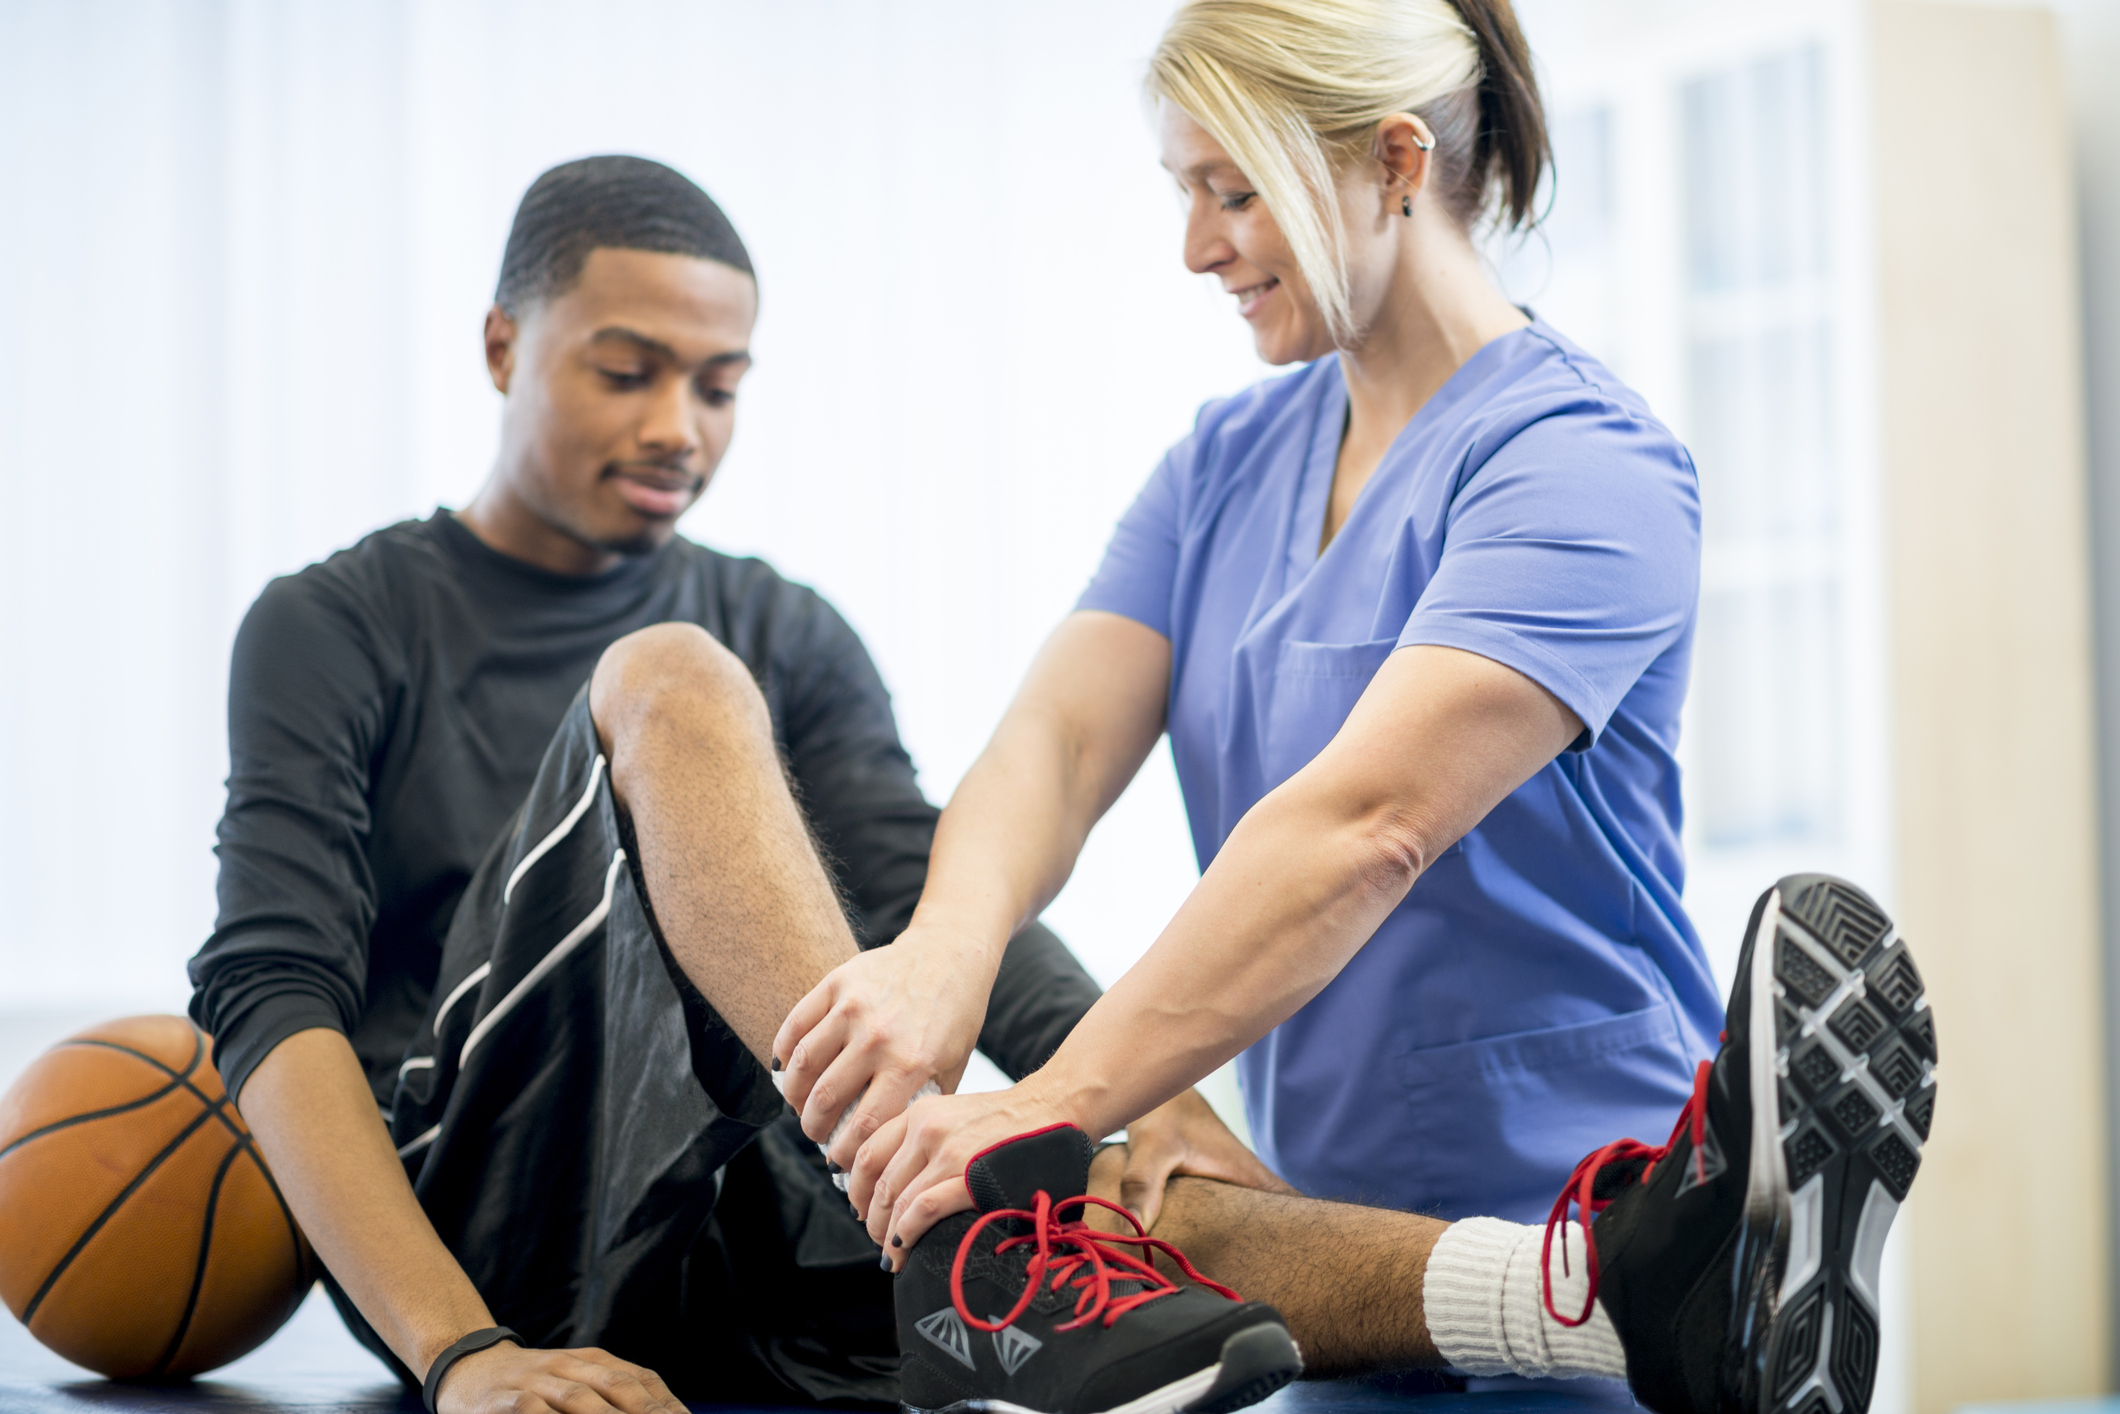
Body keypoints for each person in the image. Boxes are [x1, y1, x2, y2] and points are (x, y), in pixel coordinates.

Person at [186, 155, 1273, 1414]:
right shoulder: (338, 622)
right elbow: (268, 991)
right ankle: (941, 1248)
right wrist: (457, 1351)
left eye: (717, 386)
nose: (677, 428)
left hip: (763, 1229)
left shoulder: (788, 622)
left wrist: (1151, 1097)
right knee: (672, 678)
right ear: (501, 348)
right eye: (626, 372)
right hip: (490, 1243)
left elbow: (940, 900)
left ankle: (1530, 1292)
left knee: (1178, 1201)